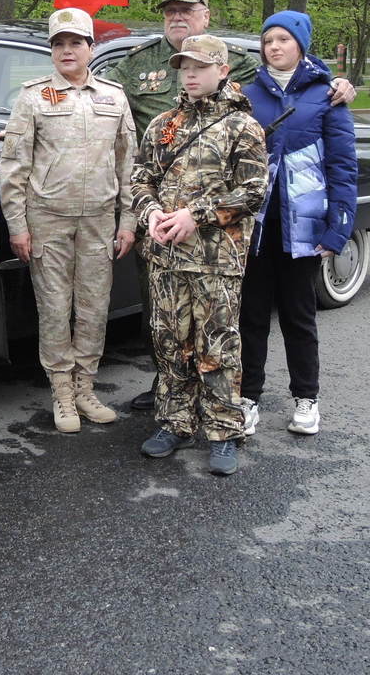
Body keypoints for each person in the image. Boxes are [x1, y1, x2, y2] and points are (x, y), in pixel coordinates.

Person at [106, 0, 356, 411]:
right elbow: (97, 97)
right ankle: (173, 393)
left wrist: (336, 82)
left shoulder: (242, 75)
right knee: (166, 318)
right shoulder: (138, 64)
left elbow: (293, 89)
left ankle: (237, 400)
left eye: (187, 10)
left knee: (229, 320)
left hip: (228, 225)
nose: (177, 17)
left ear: (206, 16)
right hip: (165, 223)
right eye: (169, 11)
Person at [130, 34, 268, 475]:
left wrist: (197, 215)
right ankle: (175, 421)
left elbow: (252, 191)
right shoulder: (164, 124)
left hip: (216, 257)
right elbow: (141, 179)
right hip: (167, 257)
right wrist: (150, 212)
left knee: (218, 344)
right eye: (184, 67)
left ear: (222, 70)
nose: (189, 74)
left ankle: (224, 430)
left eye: (199, 67)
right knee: (169, 339)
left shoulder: (242, 126)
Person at [0, 7, 137, 433]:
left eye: (75, 42)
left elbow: (129, 163)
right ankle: (61, 390)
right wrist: (17, 225)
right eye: (59, 44)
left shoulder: (113, 96)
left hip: (98, 219)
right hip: (48, 220)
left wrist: (129, 219)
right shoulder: (33, 97)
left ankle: (85, 387)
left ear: (91, 48)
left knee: (94, 307)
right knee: (55, 308)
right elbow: (14, 166)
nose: (67, 50)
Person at [239, 11, 358, 438]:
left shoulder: (328, 95)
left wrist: (338, 226)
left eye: (283, 40)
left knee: (298, 317)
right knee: (250, 316)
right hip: (254, 226)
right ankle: (247, 397)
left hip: (303, 227)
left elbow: (342, 166)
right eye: (268, 40)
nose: (274, 47)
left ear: (301, 45)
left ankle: (306, 398)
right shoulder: (247, 93)